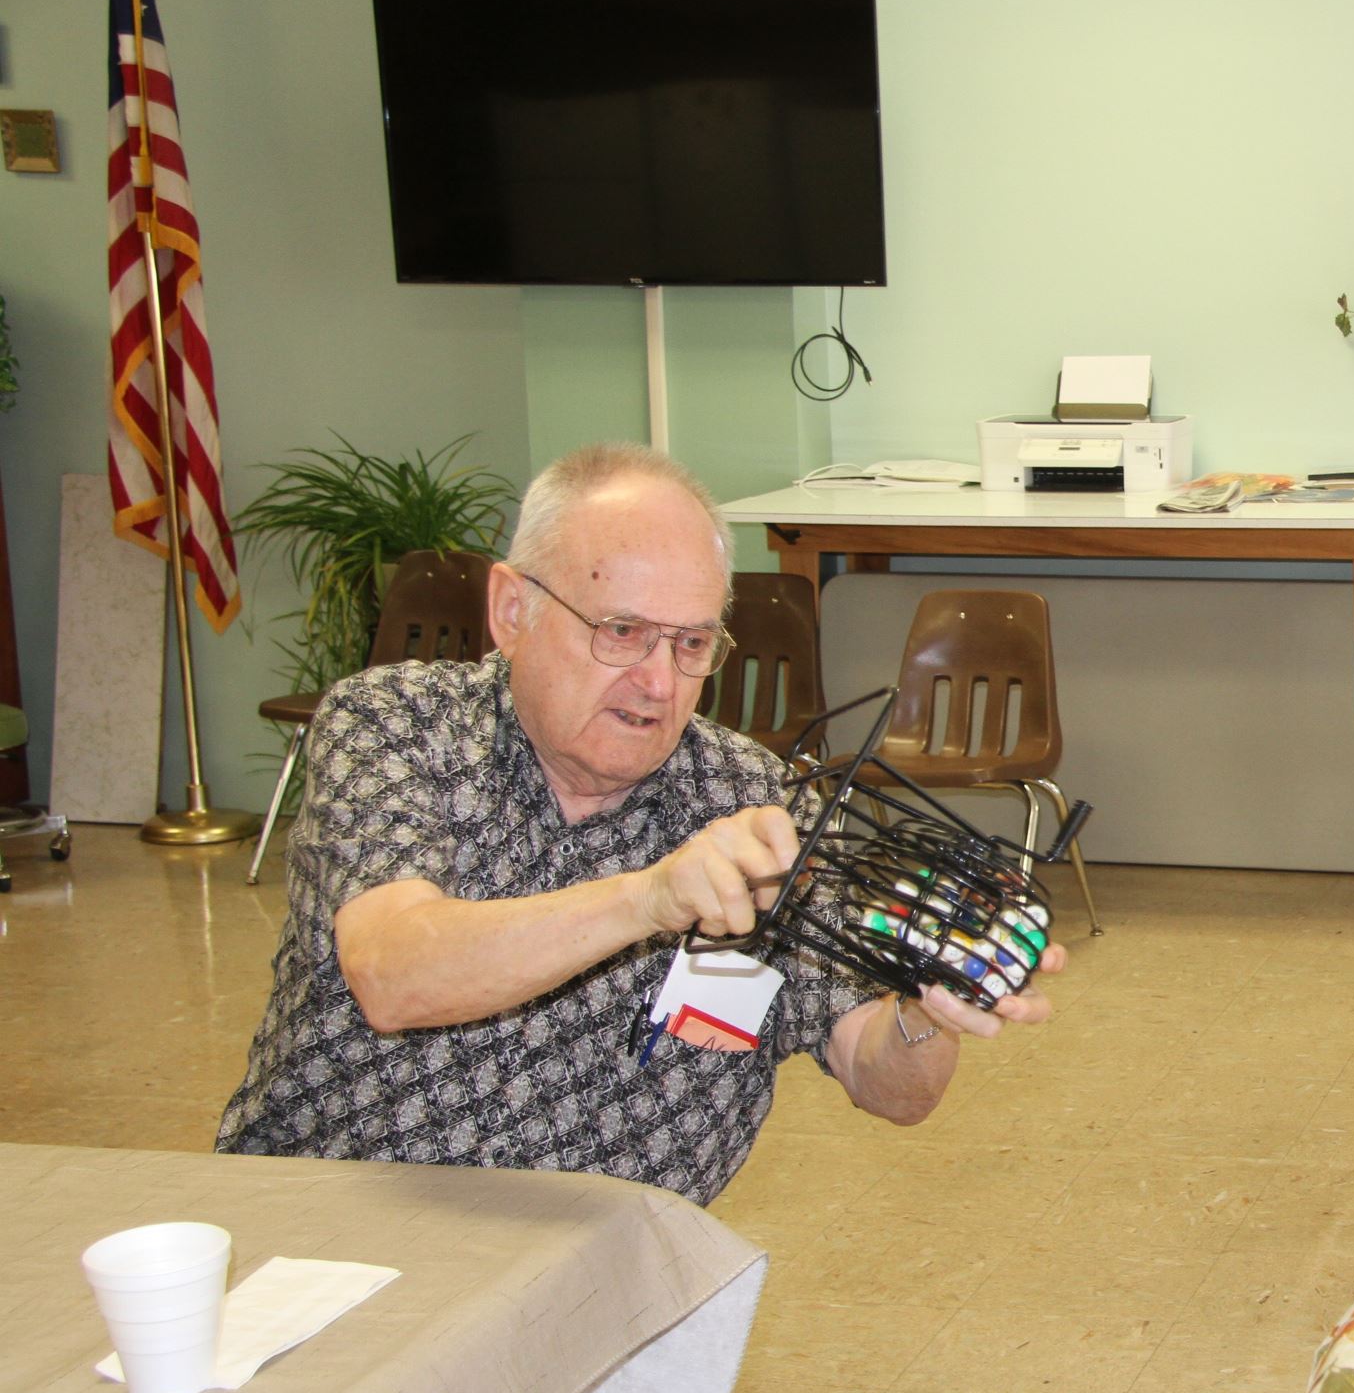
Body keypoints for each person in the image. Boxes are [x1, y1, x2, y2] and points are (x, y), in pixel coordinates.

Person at [216, 442, 1060, 1203]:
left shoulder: (750, 798)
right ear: (512, 611)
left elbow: (886, 1087)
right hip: (347, 1232)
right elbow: (395, 973)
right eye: (622, 632)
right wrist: (650, 898)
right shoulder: (397, 724)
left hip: (611, 1271)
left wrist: (928, 1006)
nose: (659, 684)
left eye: (692, 645)